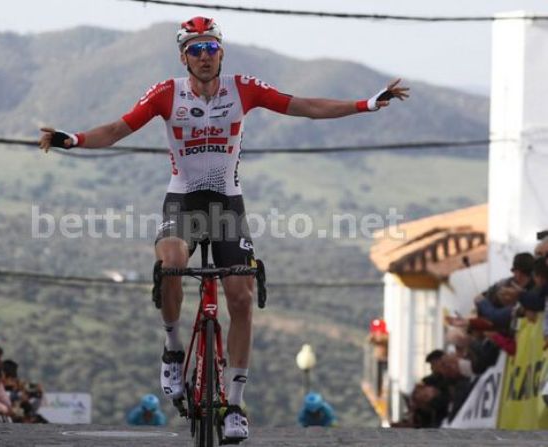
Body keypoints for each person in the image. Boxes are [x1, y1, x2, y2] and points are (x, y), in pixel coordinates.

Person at [39, 16, 408, 440]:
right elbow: (118, 129)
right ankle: (174, 349)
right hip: (183, 201)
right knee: (173, 262)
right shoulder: (166, 95)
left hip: (227, 206)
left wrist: (365, 103)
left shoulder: (242, 89)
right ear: (183, 57)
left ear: (221, 52)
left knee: (242, 295)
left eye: (210, 48)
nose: (204, 56)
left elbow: (305, 106)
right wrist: (75, 140)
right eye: (195, 49)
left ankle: (234, 404)